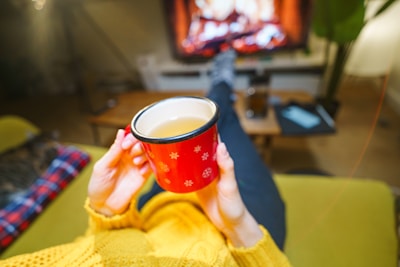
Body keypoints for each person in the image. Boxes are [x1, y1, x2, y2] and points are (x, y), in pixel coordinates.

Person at [1, 50, 289, 266]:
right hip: (241, 227)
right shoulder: (238, 225)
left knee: (215, 116)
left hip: (157, 208)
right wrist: (238, 226)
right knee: (224, 120)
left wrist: (108, 212)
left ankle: (219, 87)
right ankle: (222, 86)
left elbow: (92, 247)